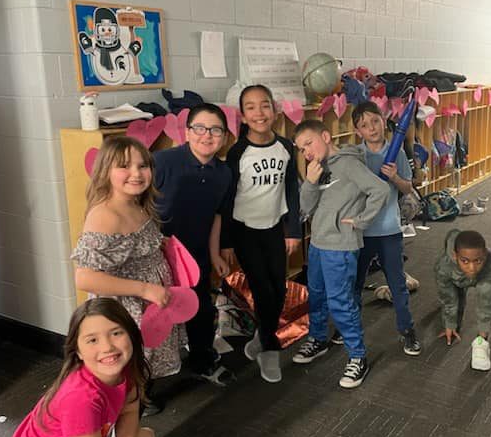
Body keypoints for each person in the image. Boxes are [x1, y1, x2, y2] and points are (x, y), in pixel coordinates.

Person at [0, 298, 166, 437]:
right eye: (92, 340)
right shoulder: (81, 398)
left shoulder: (124, 369)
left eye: (116, 333)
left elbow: (129, 410)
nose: (107, 347)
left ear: (131, 335)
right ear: (79, 352)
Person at [72, 135, 183, 415]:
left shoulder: (136, 203)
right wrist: (145, 289)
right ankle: (124, 411)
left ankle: (139, 396)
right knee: (126, 359)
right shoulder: (105, 215)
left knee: (143, 357)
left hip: (149, 302)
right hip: (128, 305)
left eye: (143, 165)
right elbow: (85, 278)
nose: (136, 173)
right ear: (105, 171)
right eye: (124, 166)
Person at [292, 119, 389, 388]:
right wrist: (310, 182)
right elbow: (305, 208)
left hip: (340, 246)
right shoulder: (318, 168)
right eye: (301, 149)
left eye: (309, 144)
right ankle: (318, 339)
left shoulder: (348, 164)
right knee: (317, 295)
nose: (306, 152)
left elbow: (379, 189)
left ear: (325, 136)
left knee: (340, 302)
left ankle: (358, 356)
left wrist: (361, 221)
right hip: (318, 243)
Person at [153, 104, 235, 387]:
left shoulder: (223, 173)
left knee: (201, 311)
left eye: (215, 130)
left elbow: (217, 216)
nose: (206, 135)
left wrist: (215, 255)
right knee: (155, 317)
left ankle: (203, 362)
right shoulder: (162, 162)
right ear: (187, 132)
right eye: (199, 128)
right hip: (156, 256)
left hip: (195, 255)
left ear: (224, 137)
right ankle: (144, 386)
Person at [224, 85, 301, 383]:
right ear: (243, 116)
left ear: (275, 110)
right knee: (262, 290)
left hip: (274, 229)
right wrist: (226, 241)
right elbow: (227, 199)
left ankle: (261, 336)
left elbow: (291, 189)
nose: (259, 112)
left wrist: (293, 230)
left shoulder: (285, 146)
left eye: (265, 105)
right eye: (251, 107)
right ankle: (270, 349)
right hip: (245, 231)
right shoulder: (237, 152)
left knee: (279, 290)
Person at [349, 101, 421, 356]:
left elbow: (407, 187)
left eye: (375, 121)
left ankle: (407, 330)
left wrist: (395, 178)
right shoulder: (355, 156)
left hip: (389, 230)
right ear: (358, 131)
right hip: (361, 232)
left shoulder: (396, 151)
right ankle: (349, 328)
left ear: (383, 121)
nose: (372, 128)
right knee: (355, 282)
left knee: (397, 283)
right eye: (364, 125)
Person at [435, 229, 491, 371]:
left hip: (482, 279)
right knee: (456, 306)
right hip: (455, 280)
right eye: (465, 261)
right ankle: (453, 321)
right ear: (455, 256)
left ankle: (481, 342)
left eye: (478, 261)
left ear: (485, 255)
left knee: (488, 289)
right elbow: (448, 299)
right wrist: (450, 323)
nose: (472, 268)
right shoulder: (443, 266)